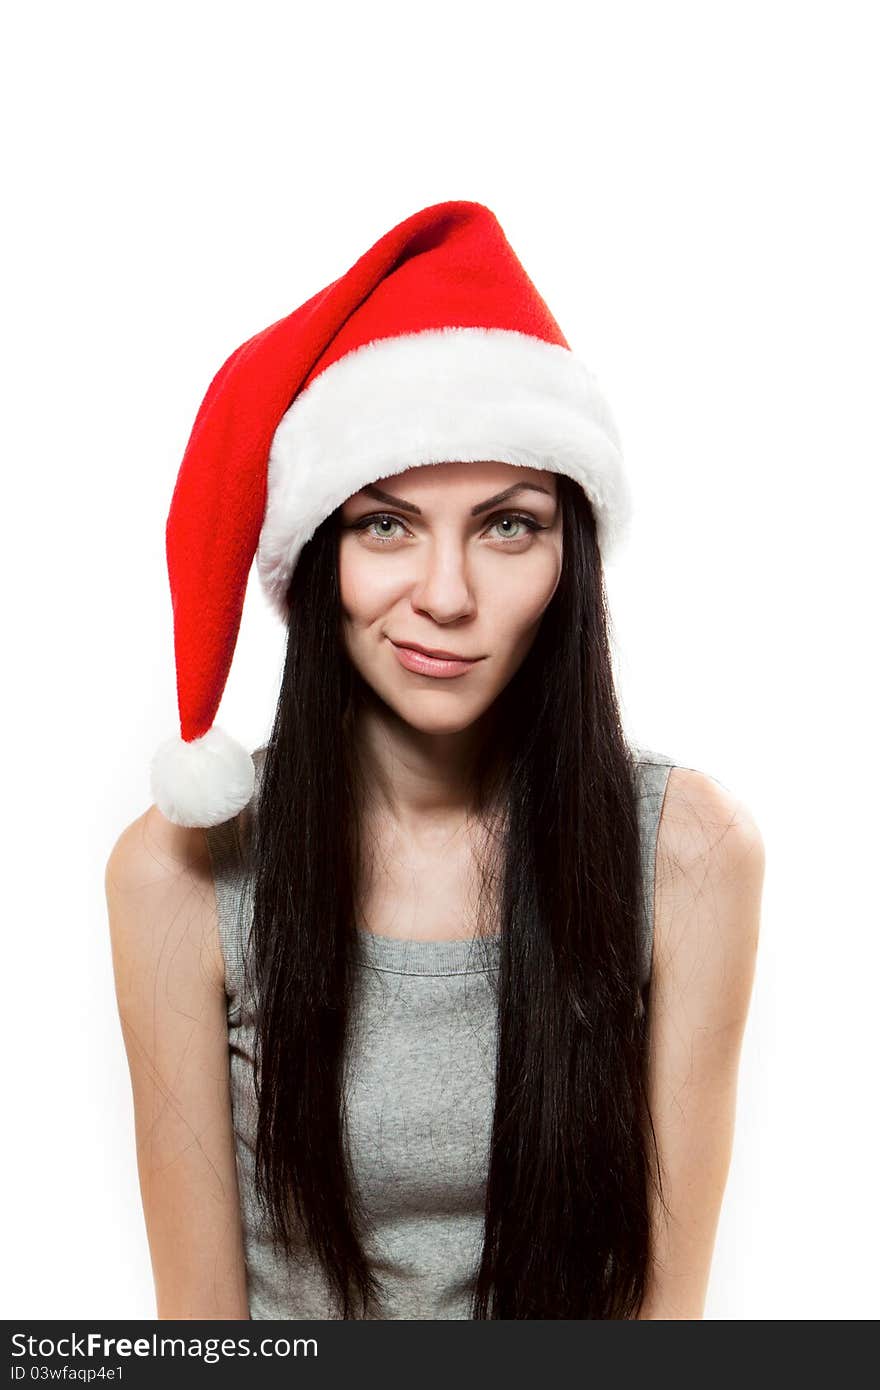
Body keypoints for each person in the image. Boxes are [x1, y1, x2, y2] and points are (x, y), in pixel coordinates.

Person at [104, 200, 764, 1320]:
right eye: (385, 525)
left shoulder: (690, 851)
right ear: (317, 556)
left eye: (508, 524)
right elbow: (200, 1334)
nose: (447, 596)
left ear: (573, 555)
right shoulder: (178, 873)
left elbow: (669, 1323)